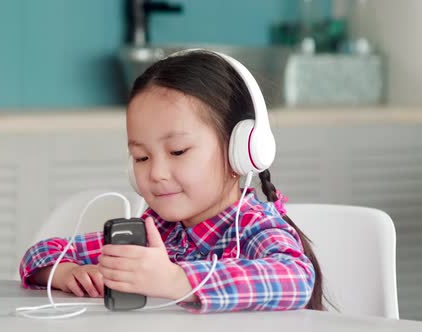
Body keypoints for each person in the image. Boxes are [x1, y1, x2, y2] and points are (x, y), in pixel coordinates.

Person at [19, 49, 323, 313]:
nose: (156, 173)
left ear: (241, 151)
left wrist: (176, 280)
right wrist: (67, 272)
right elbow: (41, 253)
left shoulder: (254, 227)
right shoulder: (159, 232)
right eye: (141, 157)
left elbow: (295, 278)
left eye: (178, 151)